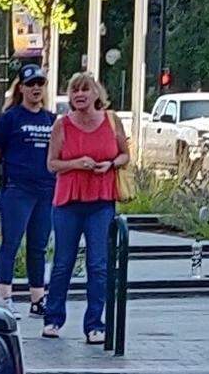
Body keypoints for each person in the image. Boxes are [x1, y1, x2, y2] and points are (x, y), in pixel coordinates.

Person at [43, 73, 130, 343]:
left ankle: (95, 324)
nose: (79, 95)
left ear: (96, 94)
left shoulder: (112, 121)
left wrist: (111, 164)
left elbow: (125, 154)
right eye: (74, 90)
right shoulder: (62, 125)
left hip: (101, 200)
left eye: (85, 90)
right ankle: (53, 319)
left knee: (98, 264)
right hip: (68, 201)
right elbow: (52, 164)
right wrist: (76, 164)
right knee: (63, 263)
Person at [0, 64, 56, 319]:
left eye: (40, 84)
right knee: (11, 243)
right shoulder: (10, 119)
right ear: (22, 88)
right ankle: (5, 296)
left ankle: (38, 299)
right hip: (17, 190)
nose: (36, 88)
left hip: (46, 190)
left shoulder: (51, 120)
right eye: (31, 84)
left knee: (38, 246)